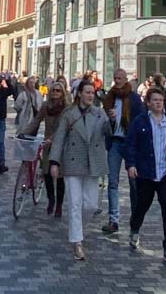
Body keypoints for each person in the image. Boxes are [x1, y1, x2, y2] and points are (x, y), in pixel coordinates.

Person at [49, 80, 111, 261]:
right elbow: (59, 138)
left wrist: (113, 120)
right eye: (87, 92)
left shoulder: (100, 113)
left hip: (93, 163)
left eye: (93, 92)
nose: (91, 95)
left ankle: (77, 228)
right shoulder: (69, 114)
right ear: (79, 94)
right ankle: (77, 242)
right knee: (75, 204)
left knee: (91, 205)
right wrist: (54, 161)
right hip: (72, 162)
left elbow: (108, 134)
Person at [126, 87, 166, 266]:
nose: (159, 103)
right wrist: (131, 164)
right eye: (155, 100)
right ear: (148, 103)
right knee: (142, 205)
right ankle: (134, 228)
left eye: (161, 100)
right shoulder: (140, 121)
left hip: (165, 174)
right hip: (146, 173)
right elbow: (131, 144)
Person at [101, 68, 144, 233]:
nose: (117, 80)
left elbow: (140, 120)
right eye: (115, 78)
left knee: (134, 182)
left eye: (120, 78)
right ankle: (113, 220)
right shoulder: (109, 98)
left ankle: (135, 219)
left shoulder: (133, 99)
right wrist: (109, 119)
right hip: (114, 143)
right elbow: (102, 121)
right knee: (113, 182)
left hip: (130, 144)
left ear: (126, 80)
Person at [24, 81, 68, 217]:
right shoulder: (45, 106)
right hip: (47, 144)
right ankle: (51, 200)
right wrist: (24, 133)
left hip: (61, 143)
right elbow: (36, 121)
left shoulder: (67, 108)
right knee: (47, 173)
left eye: (58, 90)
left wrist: (52, 139)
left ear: (63, 93)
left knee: (60, 176)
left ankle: (59, 205)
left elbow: (63, 128)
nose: (55, 92)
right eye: (53, 90)